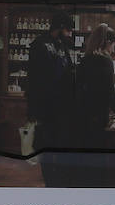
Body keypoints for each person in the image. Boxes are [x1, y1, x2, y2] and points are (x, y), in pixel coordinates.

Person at [25, 10, 77, 152]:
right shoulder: (39, 44)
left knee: (60, 144)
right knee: (45, 145)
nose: (70, 34)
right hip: (45, 105)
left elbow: (69, 70)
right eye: (68, 30)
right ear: (60, 27)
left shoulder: (62, 45)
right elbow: (33, 78)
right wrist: (32, 109)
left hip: (62, 106)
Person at [75, 23, 115, 143]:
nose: (113, 50)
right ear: (108, 42)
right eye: (114, 45)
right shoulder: (105, 60)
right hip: (98, 115)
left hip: (82, 113)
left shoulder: (85, 59)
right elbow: (109, 90)